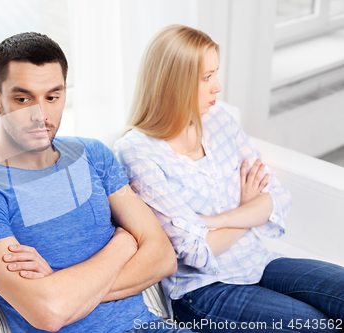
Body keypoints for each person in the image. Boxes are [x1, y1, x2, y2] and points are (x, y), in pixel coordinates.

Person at [0, 32, 195, 333]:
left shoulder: (93, 155)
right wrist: (124, 243)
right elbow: (49, 313)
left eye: (52, 97)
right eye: (23, 99)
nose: (41, 115)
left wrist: (65, 287)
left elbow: (164, 258)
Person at [115, 25, 344, 332]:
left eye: (215, 74)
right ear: (175, 83)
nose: (217, 87)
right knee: (319, 326)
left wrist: (213, 221)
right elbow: (194, 251)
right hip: (204, 290)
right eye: (206, 77)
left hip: (258, 260)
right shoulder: (137, 150)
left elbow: (276, 198)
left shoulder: (220, 119)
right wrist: (247, 210)